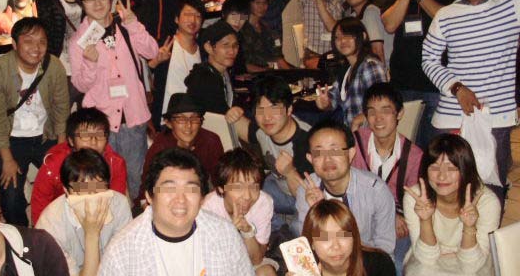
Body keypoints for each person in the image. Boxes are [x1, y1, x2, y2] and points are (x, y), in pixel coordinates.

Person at [89, 148, 264, 276]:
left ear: (202, 197)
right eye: (169, 188)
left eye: (191, 189)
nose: (180, 200)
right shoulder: (122, 248)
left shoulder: (225, 235)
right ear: (149, 196)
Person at [422, 0, 519, 208]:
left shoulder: (511, 6)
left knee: (490, 190)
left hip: (495, 116)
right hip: (452, 116)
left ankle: (488, 235)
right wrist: (457, 88)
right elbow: (428, 59)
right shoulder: (445, 15)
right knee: (446, 186)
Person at [398, 134, 501, 276]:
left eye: (452, 168)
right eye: (434, 167)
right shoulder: (416, 198)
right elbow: (425, 258)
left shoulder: (487, 202)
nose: (442, 176)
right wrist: (425, 219)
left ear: (466, 170)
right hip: (430, 250)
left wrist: (469, 226)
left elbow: (472, 265)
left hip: (474, 255)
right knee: (422, 270)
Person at [69, 0, 158, 202]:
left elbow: (152, 51)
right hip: (101, 125)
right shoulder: (79, 41)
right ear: (81, 2)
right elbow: (80, 85)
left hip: (132, 118)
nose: (97, 3)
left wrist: (134, 24)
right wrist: (90, 63)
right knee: (104, 183)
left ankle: (136, 216)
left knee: (136, 180)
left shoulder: (125, 25)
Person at [380, 0, 460, 147]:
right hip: (403, 79)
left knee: (435, 150)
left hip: (438, 82)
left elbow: (451, 21)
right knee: (405, 150)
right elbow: (389, 24)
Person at [0, 17, 70, 226]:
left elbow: (61, 108)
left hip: (46, 136)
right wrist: (7, 159)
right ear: (14, 44)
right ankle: (22, 236)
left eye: (42, 42)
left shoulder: (54, 66)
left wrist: (61, 148)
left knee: (67, 183)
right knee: (11, 198)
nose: (36, 48)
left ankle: (62, 229)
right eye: (28, 41)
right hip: (10, 140)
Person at [36, 149, 131, 276]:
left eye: (98, 188)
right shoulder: (50, 224)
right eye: (82, 190)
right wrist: (92, 234)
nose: (91, 198)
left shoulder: (118, 204)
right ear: (66, 191)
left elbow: (125, 261)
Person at [351, 82, 423, 276]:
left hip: (396, 223)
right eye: (372, 112)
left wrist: (393, 216)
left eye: (386, 110)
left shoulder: (414, 156)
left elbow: (414, 202)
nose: (378, 118)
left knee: (396, 268)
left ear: (399, 114)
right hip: (359, 215)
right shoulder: (354, 144)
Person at [293, 120, 396, 254]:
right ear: (310, 158)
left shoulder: (376, 191)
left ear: (351, 154)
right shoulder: (307, 190)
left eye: (335, 151)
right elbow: (307, 242)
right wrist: (318, 209)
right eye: (318, 152)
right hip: (326, 257)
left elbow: (385, 246)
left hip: (366, 256)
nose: (327, 159)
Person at [202, 148, 277, 276]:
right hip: (218, 264)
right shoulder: (208, 207)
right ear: (221, 187)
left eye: (254, 186)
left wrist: (246, 230)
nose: (248, 196)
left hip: (248, 261)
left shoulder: (263, 203)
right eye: (238, 187)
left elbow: (257, 258)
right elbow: (208, 257)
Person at [227, 75, 312, 233]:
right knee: (242, 196)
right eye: (260, 110)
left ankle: (281, 228)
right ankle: (276, 225)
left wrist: (290, 172)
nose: (267, 117)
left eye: (274, 109)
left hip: (301, 197)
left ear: (289, 109)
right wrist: (232, 114)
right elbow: (243, 128)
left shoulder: (306, 142)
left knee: (299, 231)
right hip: (276, 185)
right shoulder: (263, 130)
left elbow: (308, 197)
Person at [30, 107, 128, 225]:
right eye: (85, 136)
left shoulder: (115, 163)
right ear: (71, 141)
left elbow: (116, 204)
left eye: (99, 135)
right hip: (62, 220)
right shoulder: (53, 164)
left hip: (101, 218)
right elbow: (40, 205)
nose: (93, 142)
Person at [314, 17, 387, 127]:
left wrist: (361, 118)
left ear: (363, 36)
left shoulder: (370, 66)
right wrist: (325, 103)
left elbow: (382, 105)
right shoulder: (346, 69)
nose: (342, 41)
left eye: (348, 36)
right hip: (351, 131)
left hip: (369, 132)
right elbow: (334, 98)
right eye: (337, 37)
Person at [142, 93, 223, 188]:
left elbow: (222, 181)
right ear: (168, 123)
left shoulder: (211, 141)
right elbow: (147, 187)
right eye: (181, 119)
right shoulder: (160, 148)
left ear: (201, 121)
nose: (188, 125)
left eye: (194, 118)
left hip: (199, 191)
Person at [36, 0, 83, 106]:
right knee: (61, 115)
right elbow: (45, 31)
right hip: (62, 67)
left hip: (86, 65)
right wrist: (43, 1)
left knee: (90, 117)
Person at [147, 0, 203, 128]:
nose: (193, 20)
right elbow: (142, 77)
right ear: (176, 19)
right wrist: (156, 61)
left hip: (194, 121)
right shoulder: (164, 44)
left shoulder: (204, 50)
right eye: (188, 14)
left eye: (198, 16)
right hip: (166, 121)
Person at [314, 0, 390, 64]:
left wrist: (380, 72)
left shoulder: (370, 12)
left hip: (380, 67)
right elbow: (333, 28)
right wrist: (318, 0)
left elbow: (377, 49)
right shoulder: (354, 16)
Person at [184, 20, 239, 114]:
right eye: (225, 45)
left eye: (235, 45)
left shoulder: (224, 74)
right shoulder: (202, 77)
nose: (232, 51)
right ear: (209, 47)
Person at [240, 0, 294, 73]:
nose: (261, 7)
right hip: (251, 74)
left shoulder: (267, 28)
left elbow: (278, 57)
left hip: (270, 71)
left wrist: (291, 74)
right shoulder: (240, 25)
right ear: (249, 3)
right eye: (257, 2)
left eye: (265, 3)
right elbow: (243, 64)